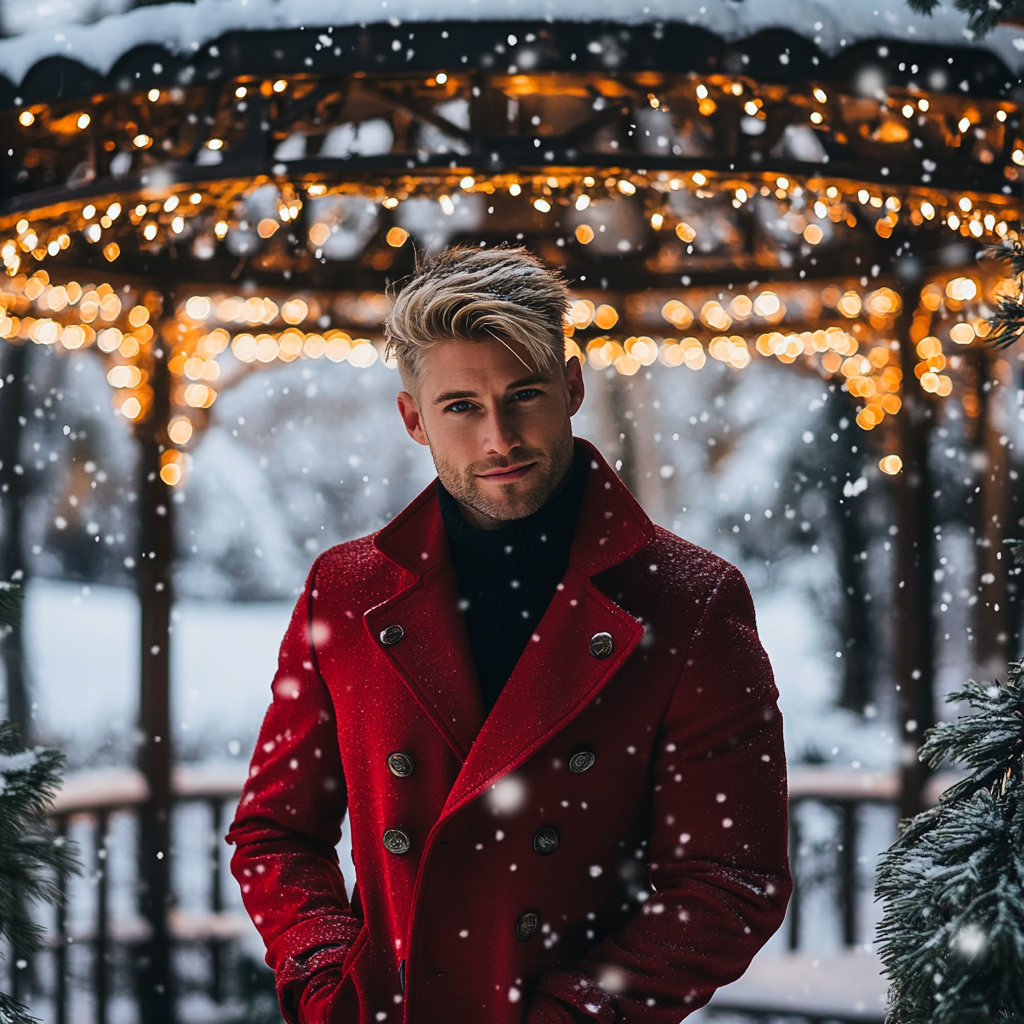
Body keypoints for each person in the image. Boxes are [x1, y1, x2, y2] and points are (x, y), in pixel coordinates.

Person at [227, 246, 791, 1024]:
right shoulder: (348, 590)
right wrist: (330, 981)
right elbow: (273, 830)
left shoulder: (690, 602)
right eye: (461, 406)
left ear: (571, 385)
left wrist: (579, 1013)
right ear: (413, 418)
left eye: (522, 394)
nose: (498, 438)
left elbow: (732, 876)